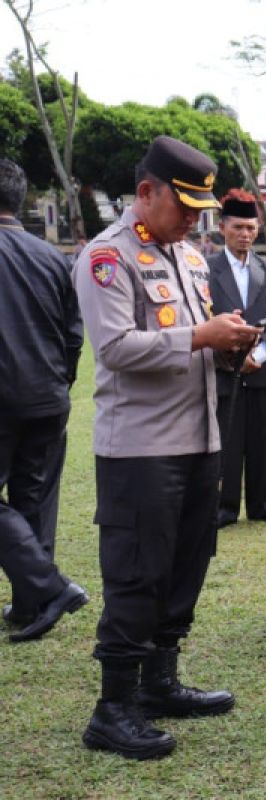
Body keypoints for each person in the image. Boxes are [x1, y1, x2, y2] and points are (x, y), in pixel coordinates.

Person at [75, 136, 259, 759]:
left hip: (198, 439)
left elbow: (196, 344)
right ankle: (113, 707)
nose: (193, 219)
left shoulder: (191, 258)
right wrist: (200, 336)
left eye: (199, 209)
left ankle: (160, 682)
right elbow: (116, 348)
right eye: (183, 206)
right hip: (140, 451)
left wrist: (232, 347)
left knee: (186, 564)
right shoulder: (108, 256)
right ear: (146, 192)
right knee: (137, 574)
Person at [0, 158, 89, 644]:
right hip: (48, 395)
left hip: (8, 395)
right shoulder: (52, 257)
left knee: (26, 498)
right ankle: (31, 602)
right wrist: (60, 381)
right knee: (32, 497)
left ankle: (49, 588)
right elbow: (74, 335)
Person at [208, 191, 266, 528]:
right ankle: (224, 505)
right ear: (223, 227)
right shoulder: (206, 269)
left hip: (262, 365)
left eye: (251, 228)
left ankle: (263, 502)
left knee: (263, 436)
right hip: (223, 366)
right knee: (226, 434)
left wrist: (259, 351)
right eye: (239, 227)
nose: (246, 234)